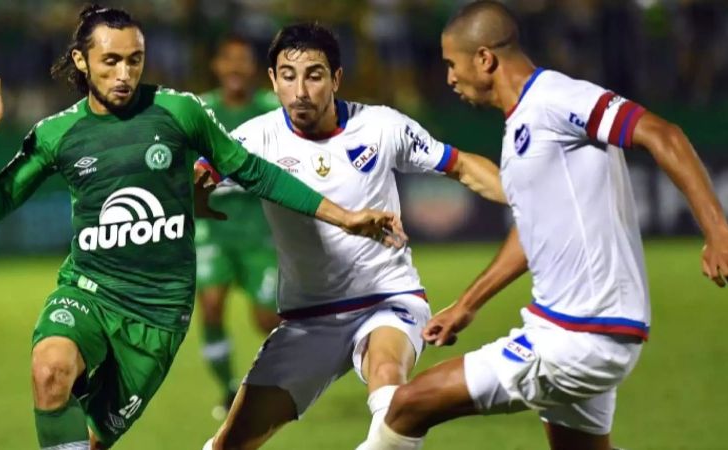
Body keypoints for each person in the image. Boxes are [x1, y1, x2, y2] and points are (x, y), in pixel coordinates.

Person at [0, 5, 403, 450]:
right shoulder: (58, 134)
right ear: (82, 61)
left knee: (92, 441)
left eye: (134, 60)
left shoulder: (178, 112)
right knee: (50, 369)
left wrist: (344, 216)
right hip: (89, 291)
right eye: (110, 61)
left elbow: (256, 172)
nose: (124, 74)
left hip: (159, 313)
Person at [357, 2, 728, 450]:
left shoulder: (556, 98)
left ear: (484, 58)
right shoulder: (520, 124)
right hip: (570, 328)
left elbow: (664, 134)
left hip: (580, 337)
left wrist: (716, 230)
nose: (448, 78)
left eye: (451, 64)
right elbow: (532, 232)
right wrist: (468, 305)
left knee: (408, 405)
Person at [202, 23, 507, 450]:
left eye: (314, 74)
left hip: (388, 299)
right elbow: (195, 177)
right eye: (288, 76)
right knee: (228, 445)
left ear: (336, 78)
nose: (301, 90)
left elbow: (460, 166)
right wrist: (190, 189)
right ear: (272, 80)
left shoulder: (381, 126)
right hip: (309, 319)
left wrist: (523, 196)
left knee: (388, 384)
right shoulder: (256, 138)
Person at [194, 34, 284, 420]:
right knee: (211, 305)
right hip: (212, 230)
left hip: (260, 230)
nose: (235, 68)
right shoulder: (200, 111)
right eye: (227, 60)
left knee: (267, 318)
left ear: (256, 69)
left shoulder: (271, 110)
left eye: (243, 61)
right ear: (216, 66)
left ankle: (285, 381)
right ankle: (229, 390)